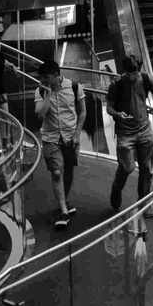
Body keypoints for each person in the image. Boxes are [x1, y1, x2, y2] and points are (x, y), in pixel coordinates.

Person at [106, 54, 153, 218]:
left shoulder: (146, 79)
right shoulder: (116, 84)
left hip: (144, 131)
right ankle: (116, 188)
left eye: (134, 73)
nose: (131, 76)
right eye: (128, 73)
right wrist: (118, 114)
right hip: (125, 133)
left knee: (146, 170)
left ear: (139, 71)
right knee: (127, 167)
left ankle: (144, 203)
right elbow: (109, 108)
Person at [35, 60, 85, 228]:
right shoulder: (40, 91)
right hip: (51, 138)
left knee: (69, 170)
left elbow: (82, 111)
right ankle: (63, 210)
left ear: (56, 75)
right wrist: (47, 94)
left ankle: (64, 199)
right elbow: (40, 115)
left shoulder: (74, 87)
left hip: (70, 137)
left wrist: (77, 134)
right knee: (57, 172)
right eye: (41, 78)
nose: (43, 81)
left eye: (46, 77)